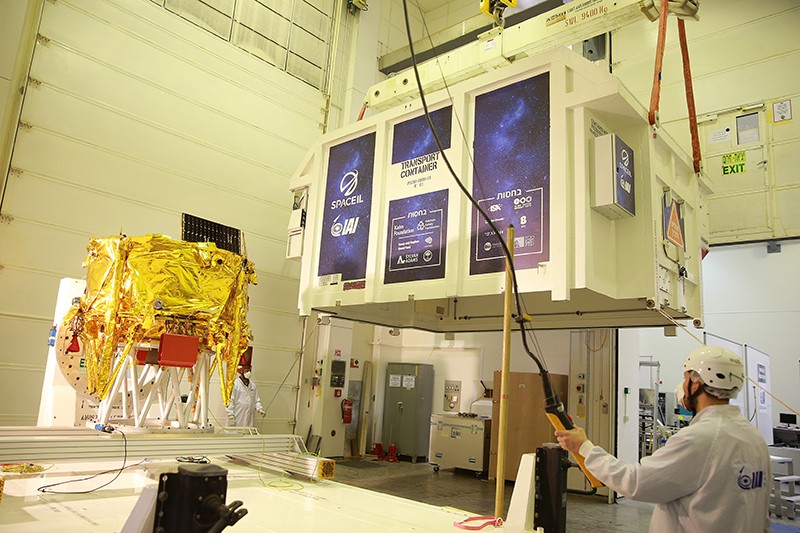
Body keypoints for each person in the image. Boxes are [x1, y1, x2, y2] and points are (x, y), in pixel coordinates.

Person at [555, 345, 771, 533]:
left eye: (686, 378)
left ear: (697, 384)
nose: (683, 386)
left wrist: (584, 447)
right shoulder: (754, 438)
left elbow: (635, 482)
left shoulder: (699, 438)